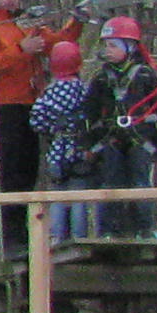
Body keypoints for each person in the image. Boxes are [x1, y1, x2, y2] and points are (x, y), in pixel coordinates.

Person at [0, 0, 74, 255]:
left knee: (27, 172)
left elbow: (60, 44)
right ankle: (7, 240)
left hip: (29, 105)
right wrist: (20, 51)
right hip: (1, 108)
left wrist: (78, 21)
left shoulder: (25, 24)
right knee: (6, 175)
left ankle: (23, 237)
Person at [87, 16, 157, 237]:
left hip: (139, 140)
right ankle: (107, 230)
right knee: (110, 184)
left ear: (130, 46)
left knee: (141, 183)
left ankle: (145, 229)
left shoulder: (146, 76)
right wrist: (88, 142)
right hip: (111, 140)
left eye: (113, 45)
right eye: (106, 45)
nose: (108, 50)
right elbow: (89, 112)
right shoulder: (101, 79)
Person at [30, 39, 97, 244]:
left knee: (58, 194)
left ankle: (57, 238)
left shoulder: (50, 92)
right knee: (78, 196)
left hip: (58, 150)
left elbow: (36, 120)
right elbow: (94, 115)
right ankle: (80, 237)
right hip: (80, 148)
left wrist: (53, 129)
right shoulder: (84, 91)